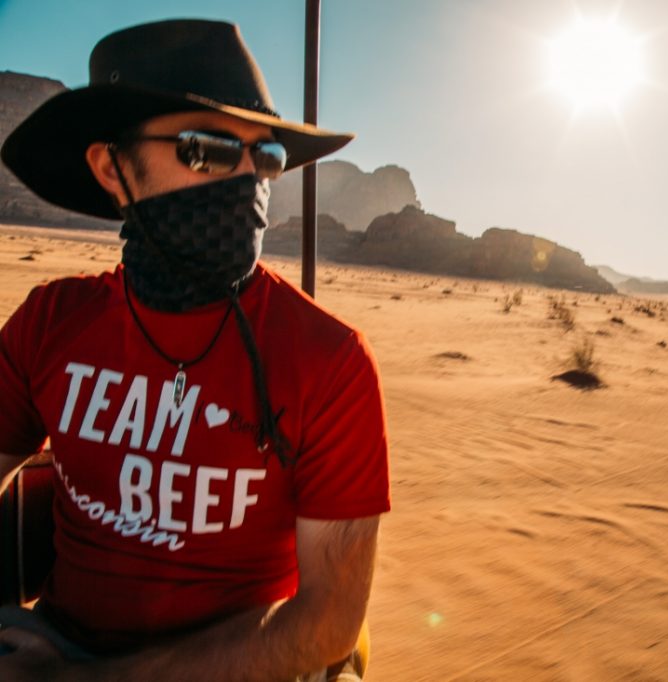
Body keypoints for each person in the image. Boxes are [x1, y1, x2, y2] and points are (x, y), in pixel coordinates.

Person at [0, 18, 391, 681]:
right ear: (112, 169)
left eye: (264, 157)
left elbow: (327, 623)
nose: (246, 178)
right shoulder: (51, 321)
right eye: (207, 151)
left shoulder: (329, 360)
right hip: (53, 644)